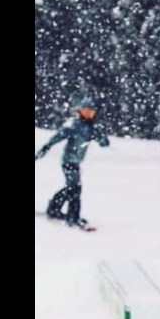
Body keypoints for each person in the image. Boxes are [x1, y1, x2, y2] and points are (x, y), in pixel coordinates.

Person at [35, 98, 110, 229]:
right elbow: (58, 136)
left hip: (76, 162)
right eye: (86, 112)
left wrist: (103, 138)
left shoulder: (91, 128)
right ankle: (73, 217)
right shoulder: (74, 125)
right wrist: (46, 147)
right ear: (81, 111)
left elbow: (103, 142)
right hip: (68, 161)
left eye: (91, 112)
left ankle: (54, 208)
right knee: (75, 189)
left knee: (72, 188)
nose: (88, 114)